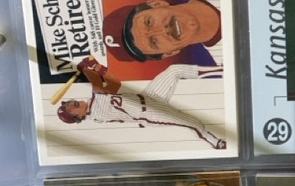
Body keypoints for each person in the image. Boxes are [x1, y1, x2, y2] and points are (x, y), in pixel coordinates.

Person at [56, 57, 226, 149]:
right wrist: (87, 69)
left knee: (174, 70)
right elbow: (98, 85)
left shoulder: (94, 100)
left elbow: (114, 84)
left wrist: (98, 67)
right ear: (78, 117)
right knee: (192, 123)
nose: (71, 105)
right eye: (70, 110)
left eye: (68, 104)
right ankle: (216, 143)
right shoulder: (96, 113)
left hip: (148, 97)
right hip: (148, 114)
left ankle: (221, 69)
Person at [103, 0, 222, 63]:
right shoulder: (227, 66)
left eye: (149, 22)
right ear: (170, 53)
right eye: (154, 41)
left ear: (157, 4)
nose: (163, 31)